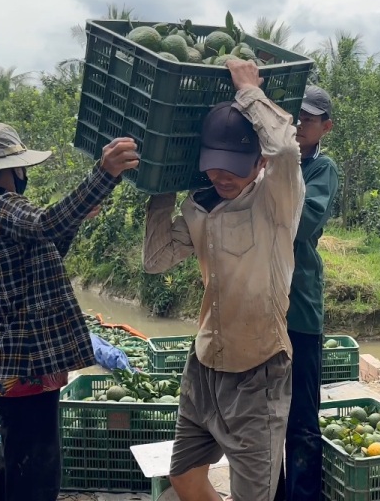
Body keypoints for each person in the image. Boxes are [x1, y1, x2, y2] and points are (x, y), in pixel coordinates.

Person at [0, 122, 140, 501]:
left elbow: (40, 252)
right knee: (37, 470)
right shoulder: (4, 204)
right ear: (13, 168)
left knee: (15, 462)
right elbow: (47, 223)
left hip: (11, 362)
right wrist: (105, 173)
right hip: (25, 362)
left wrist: (76, 217)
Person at [142, 59, 305, 501]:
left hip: (258, 374)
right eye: (214, 165)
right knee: (185, 478)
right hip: (204, 367)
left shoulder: (276, 200)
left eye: (234, 165)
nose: (223, 175)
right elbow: (156, 259)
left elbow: (287, 151)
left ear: (258, 163)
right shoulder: (198, 207)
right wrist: (160, 187)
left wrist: (250, 91)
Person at [280, 85, 340, 501]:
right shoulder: (264, 161)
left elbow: (301, 226)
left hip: (298, 308)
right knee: (265, 416)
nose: (299, 125)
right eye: (295, 117)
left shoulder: (321, 169)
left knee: (301, 417)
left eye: (309, 119)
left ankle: (303, 495)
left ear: (325, 127)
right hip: (262, 312)